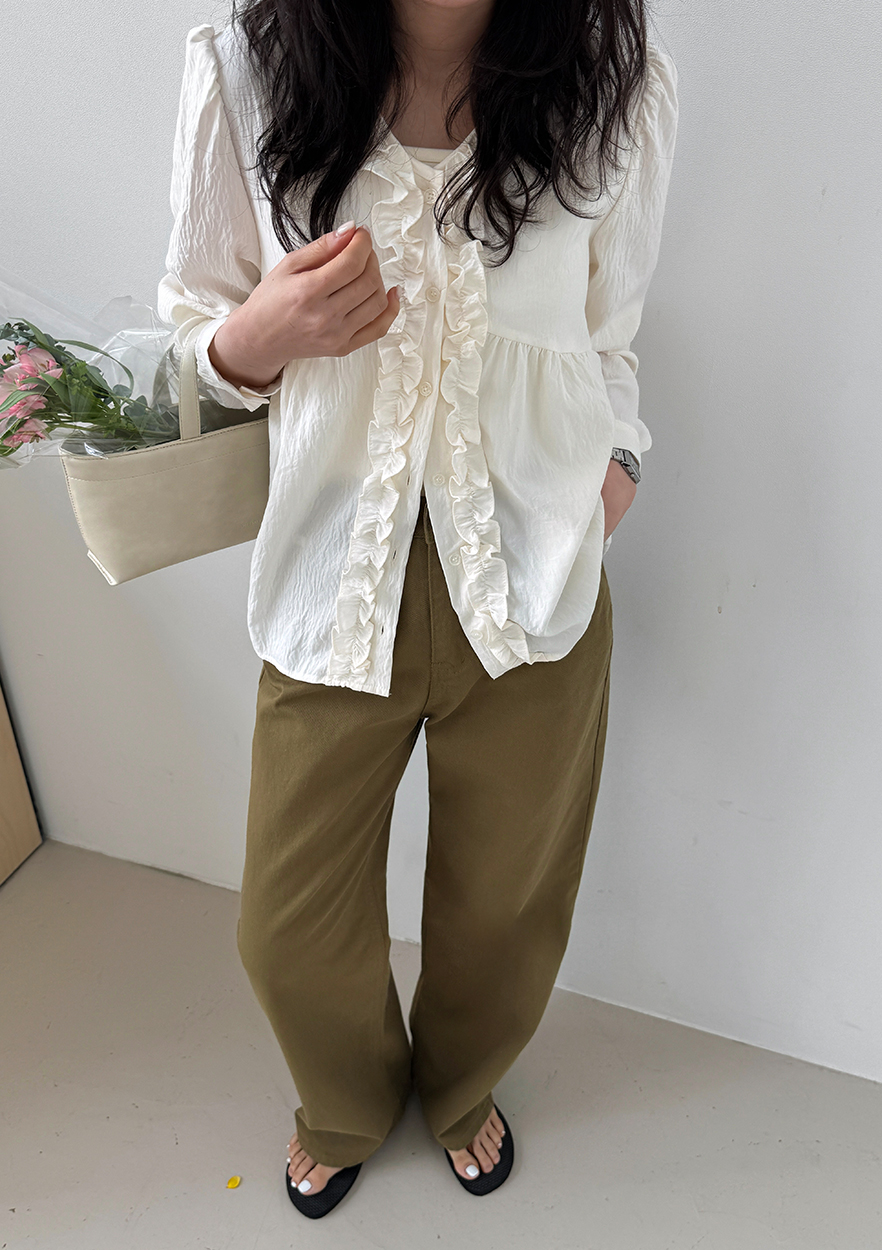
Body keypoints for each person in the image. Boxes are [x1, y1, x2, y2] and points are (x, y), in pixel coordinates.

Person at [158, 0, 678, 1220]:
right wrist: (254, 339)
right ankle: (346, 1098)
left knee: (505, 908)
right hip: (336, 574)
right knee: (285, 926)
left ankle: (459, 1085)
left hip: (537, 573)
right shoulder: (244, 68)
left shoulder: (618, 84)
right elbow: (192, 325)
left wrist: (616, 472)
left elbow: (611, 339)